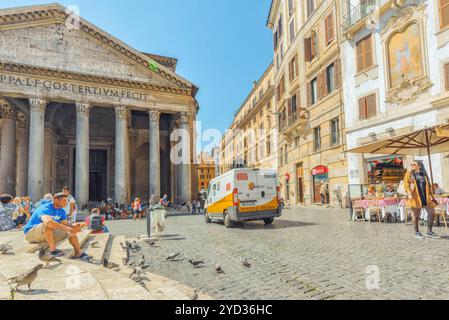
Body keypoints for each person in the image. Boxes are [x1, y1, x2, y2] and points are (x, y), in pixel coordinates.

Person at [23, 193, 89, 259]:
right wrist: (67, 228)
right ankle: (53, 250)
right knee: (48, 224)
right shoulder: (45, 208)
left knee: (71, 232)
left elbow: (65, 224)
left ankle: (78, 253)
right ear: (56, 200)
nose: (66, 203)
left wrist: (75, 226)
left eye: (67, 201)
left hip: (45, 234)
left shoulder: (62, 211)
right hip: (31, 234)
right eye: (64, 200)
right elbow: (48, 222)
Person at [404, 161, 440, 240]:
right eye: (411, 164)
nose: (412, 166)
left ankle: (429, 231)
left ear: (419, 166)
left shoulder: (424, 174)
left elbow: (429, 186)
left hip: (425, 198)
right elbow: (406, 185)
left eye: (414, 164)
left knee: (432, 213)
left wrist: (432, 197)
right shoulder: (409, 174)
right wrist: (409, 193)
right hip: (415, 198)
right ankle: (417, 232)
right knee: (416, 215)